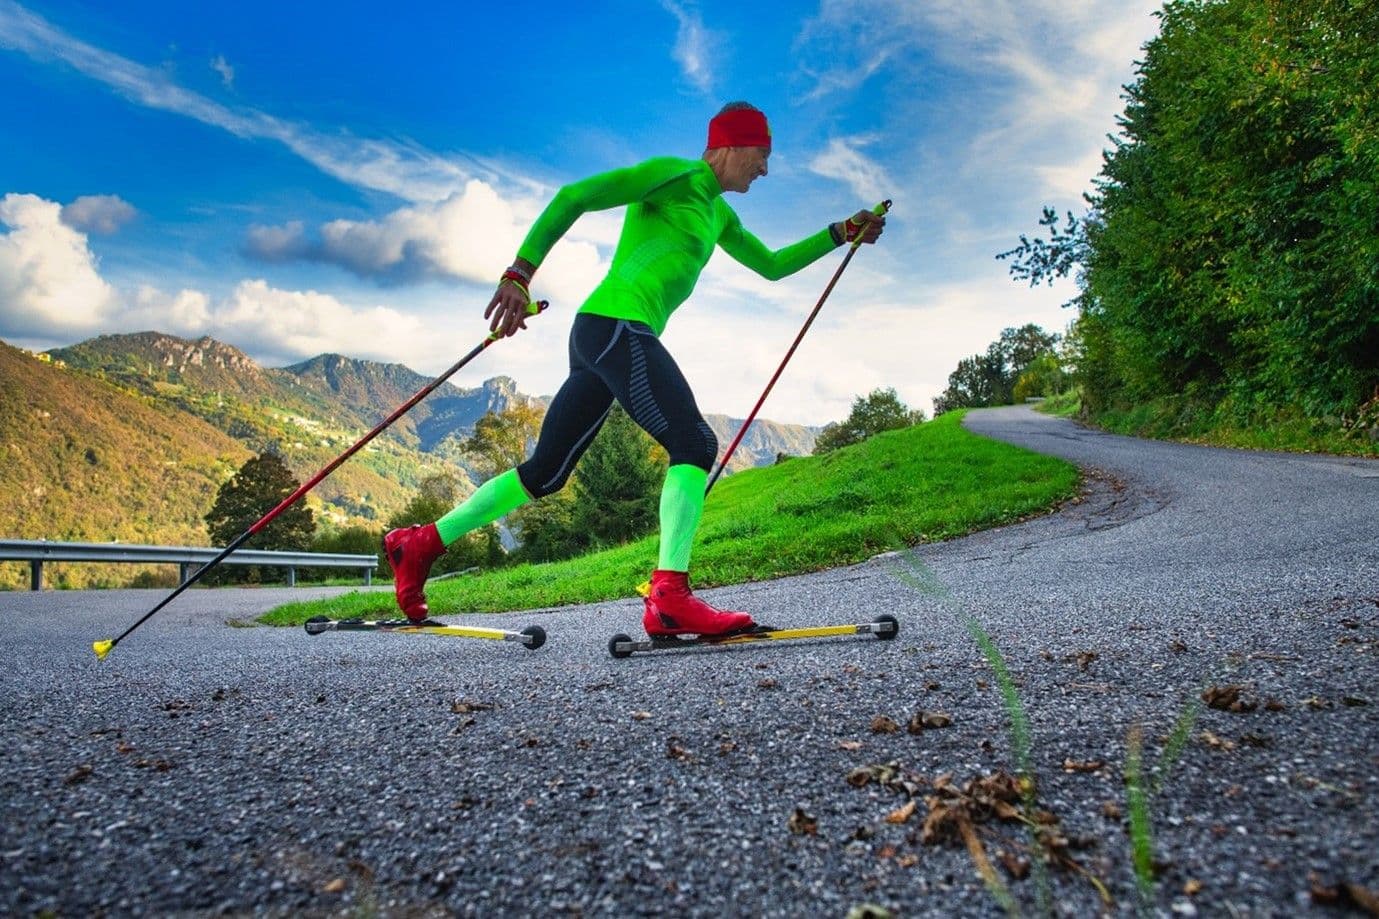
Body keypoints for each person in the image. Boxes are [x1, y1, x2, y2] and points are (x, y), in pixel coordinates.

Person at [384, 102, 884, 636]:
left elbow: (773, 266)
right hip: (616, 326)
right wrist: (519, 273)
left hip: (608, 336)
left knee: (545, 474)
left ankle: (420, 544)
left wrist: (843, 231)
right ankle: (669, 595)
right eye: (762, 156)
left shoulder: (718, 213)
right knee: (694, 443)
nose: (765, 169)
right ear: (731, 146)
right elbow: (574, 196)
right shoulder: (677, 175)